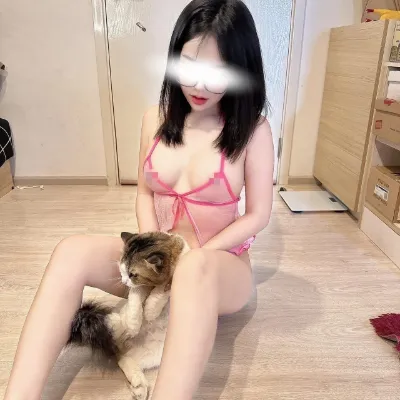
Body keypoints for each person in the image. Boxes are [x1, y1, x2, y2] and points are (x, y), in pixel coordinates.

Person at [4, 0, 274, 399]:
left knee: (193, 268)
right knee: (70, 251)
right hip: (159, 262)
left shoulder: (254, 131)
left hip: (218, 266)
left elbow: (258, 215)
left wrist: (190, 259)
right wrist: (152, 253)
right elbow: (146, 192)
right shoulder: (155, 118)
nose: (199, 86)